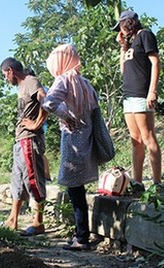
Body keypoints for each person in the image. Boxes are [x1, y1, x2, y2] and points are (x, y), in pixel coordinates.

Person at [42, 44, 99, 251]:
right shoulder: (85, 83)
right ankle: (80, 233)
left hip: (72, 143)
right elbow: (94, 108)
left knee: (75, 192)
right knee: (79, 190)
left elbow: (48, 103)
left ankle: (82, 238)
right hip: (87, 143)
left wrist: (67, 116)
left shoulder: (63, 80)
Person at [114, 10, 163, 193]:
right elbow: (123, 70)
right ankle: (138, 182)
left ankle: (157, 183)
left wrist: (152, 91)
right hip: (128, 96)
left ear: (128, 23)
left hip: (142, 94)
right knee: (136, 140)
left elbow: (155, 62)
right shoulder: (130, 44)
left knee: (148, 136)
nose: (119, 30)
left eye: (120, 26)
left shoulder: (145, 35)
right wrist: (123, 47)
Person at [0, 57, 48, 236]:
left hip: (30, 139)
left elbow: (46, 100)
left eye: (5, 75)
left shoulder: (31, 81)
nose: (6, 79)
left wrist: (37, 124)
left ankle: (38, 222)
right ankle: (13, 219)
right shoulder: (22, 87)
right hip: (21, 140)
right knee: (18, 181)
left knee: (33, 179)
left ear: (10, 70)